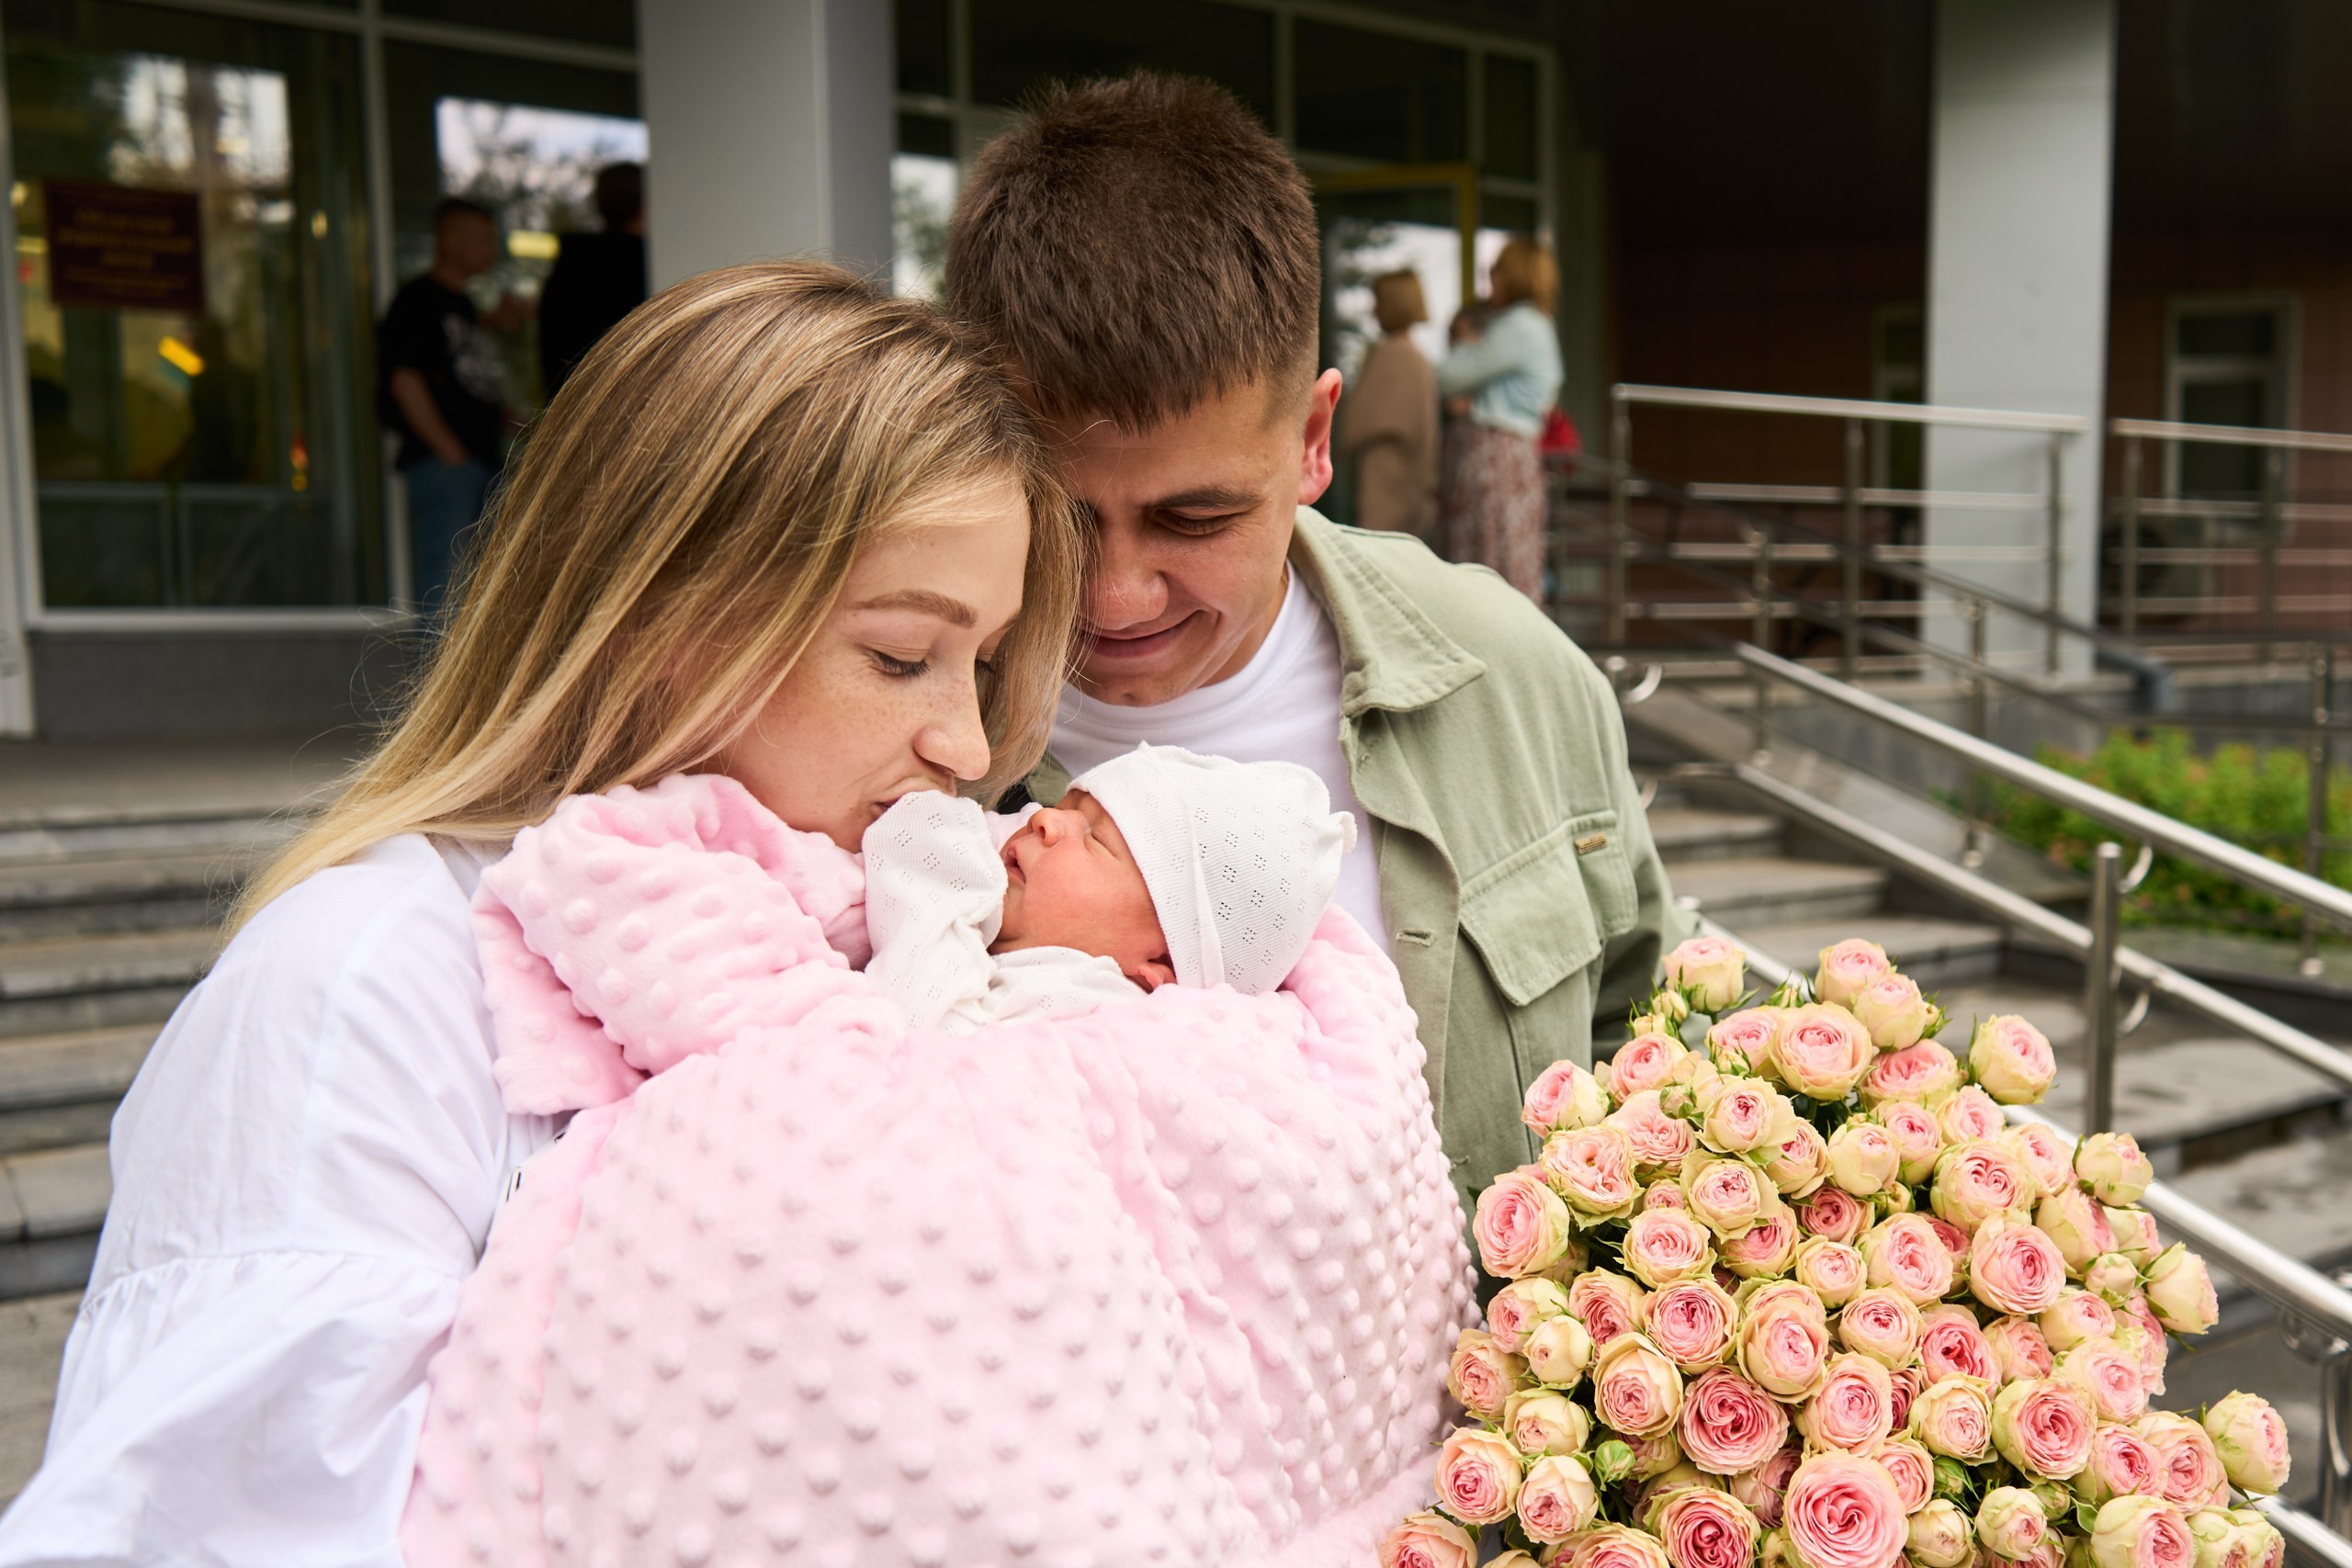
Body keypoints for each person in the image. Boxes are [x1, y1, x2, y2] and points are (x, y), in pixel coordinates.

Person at [0, 262, 1087, 1562]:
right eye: (903, 654)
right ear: (659, 615)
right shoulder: (364, 980)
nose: (967, 742)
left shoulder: (881, 943)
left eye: (985, 661)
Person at [945, 73, 1690, 1218]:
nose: (1117, 592)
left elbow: (1657, 1036)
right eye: (1058, 515)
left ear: (1311, 438)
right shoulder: (857, 732)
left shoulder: (1507, 671)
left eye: (1196, 519)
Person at [865, 742, 1355, 1028]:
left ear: (1159, 964)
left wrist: (924, 853)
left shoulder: (1086, 1004)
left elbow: (927, 1033)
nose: (1045, 820)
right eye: (1067, 807)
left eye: (1095, 839)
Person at [377, 197, 524, 611]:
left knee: (478, 584)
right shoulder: (417, 301)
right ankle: (436, 676)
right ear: (449, 239)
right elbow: (404, 379)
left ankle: (469, 674)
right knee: (445, 582)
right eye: (482, 240)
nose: (490, 252)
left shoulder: (463, 306)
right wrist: (448, 449)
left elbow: (460, 378)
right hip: (448, 465)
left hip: (479, 459)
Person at [1436, 235, 1566, 603]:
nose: (1490, 279)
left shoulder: (1518, 326)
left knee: (1489, 570)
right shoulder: (1535, 325)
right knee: (1508, 565)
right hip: (1512, 457)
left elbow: (1448, 378)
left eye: (1497, 271)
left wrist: (1465, 341)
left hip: (1496, 458)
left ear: (1514, 276)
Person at [1334, 269, 1438, 536]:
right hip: (1411, 486)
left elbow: (1355, 421)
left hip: (1388, 484)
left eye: (1378, 302)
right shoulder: (1418, 357)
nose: (1373, 312)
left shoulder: (1392, 356)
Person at [537, 161, 649, 401]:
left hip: (571, 410)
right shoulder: (645, 269)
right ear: (645, 206)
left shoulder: (570, 267)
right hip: (623, 410)